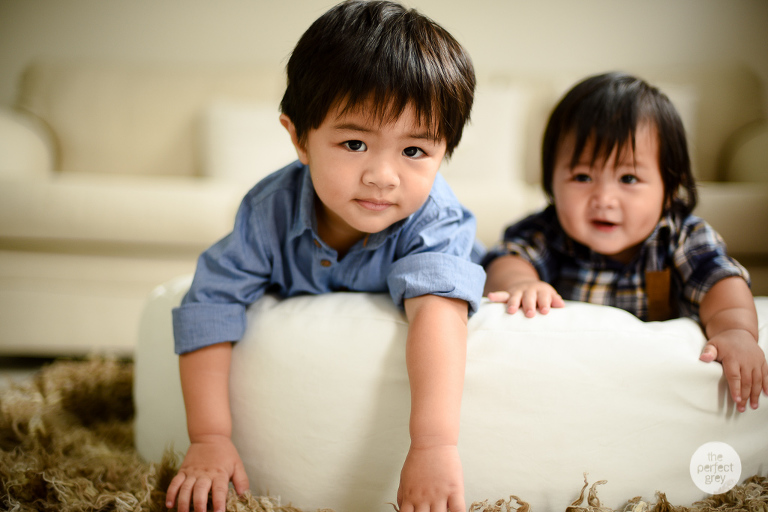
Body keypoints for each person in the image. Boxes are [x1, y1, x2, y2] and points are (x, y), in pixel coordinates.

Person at [165, 2, 485, 512]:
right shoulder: (268, 212)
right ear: (300, 138)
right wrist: (209, 437)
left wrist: (433, 446)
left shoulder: (435, 218)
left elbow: (439, 313)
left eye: (414, 151)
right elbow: (210, 304)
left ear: (443, 151)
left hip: (470, 264)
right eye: (355, 143)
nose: (382, 177)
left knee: (509, 268)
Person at [483, 72, 767, 414]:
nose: (604, 198)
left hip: (651, 389)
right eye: (582, 177)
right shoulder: (547, 231)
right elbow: (507, 259)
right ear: (551, 182)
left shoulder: (680, 236)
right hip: (573, 382)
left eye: (628, 178)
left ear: (669, 188)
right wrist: (521, 283)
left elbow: (721, 284)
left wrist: (737, 331)